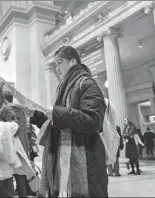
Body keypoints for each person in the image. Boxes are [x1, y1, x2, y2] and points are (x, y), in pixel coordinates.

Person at [30, 45, 108, 197]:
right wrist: (39, 118)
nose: (56, 68)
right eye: (55, 64)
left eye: (59, 62)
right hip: (64, 161)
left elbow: (92, 121)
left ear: (72, 61)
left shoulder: (87, 83)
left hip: (86, 161)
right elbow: (62, 126)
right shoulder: (63, 88)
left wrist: (58, 113)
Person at [4, 90, 30, 198]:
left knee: (11, 171)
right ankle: (22, 193)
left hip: (13, 143)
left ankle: (18, 193)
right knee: (21, 171)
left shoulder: (7, 110)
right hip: (23, 142)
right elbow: (24, 127)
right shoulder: (20, 109)